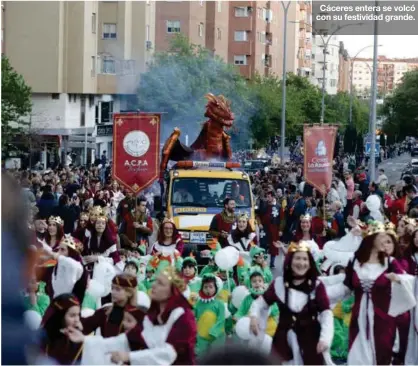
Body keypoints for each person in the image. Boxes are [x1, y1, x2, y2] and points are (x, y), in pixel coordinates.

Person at [64, 267, 197, 365]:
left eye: (160, 283)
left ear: (173, 291)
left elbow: (169, 353)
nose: (153, 285)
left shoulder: (183, 316)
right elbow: (127, 339)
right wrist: (86, 340)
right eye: (155, 281)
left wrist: (129, 357)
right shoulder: (153, 315)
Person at [325, 222, 416, 365]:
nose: (384, 241)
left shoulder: (389, 262)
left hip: (383, 321)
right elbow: (345, 288)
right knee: (357, 357)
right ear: (371, 239)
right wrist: (320, 295)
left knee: (382, 356)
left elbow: (411, 281)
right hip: (359, 320)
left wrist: (398, 279)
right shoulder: (354, 261)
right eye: (381, 237)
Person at [249, 241, 334, 364]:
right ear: (290, 261)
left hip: (311, 342)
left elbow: (326, 313)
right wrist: (254, 316)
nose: (301, 263)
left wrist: (325, 338)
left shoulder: (317, 286)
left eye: (305, 259)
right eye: (297, 258)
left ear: (310, 263)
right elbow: (260, 303)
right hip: (283, 343)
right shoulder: (279, 284)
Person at [40, 293, 84, 364]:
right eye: (72, 315)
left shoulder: (80, 342)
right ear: (60, 317)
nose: (77, 320)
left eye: (78, 315)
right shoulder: (41, 340)